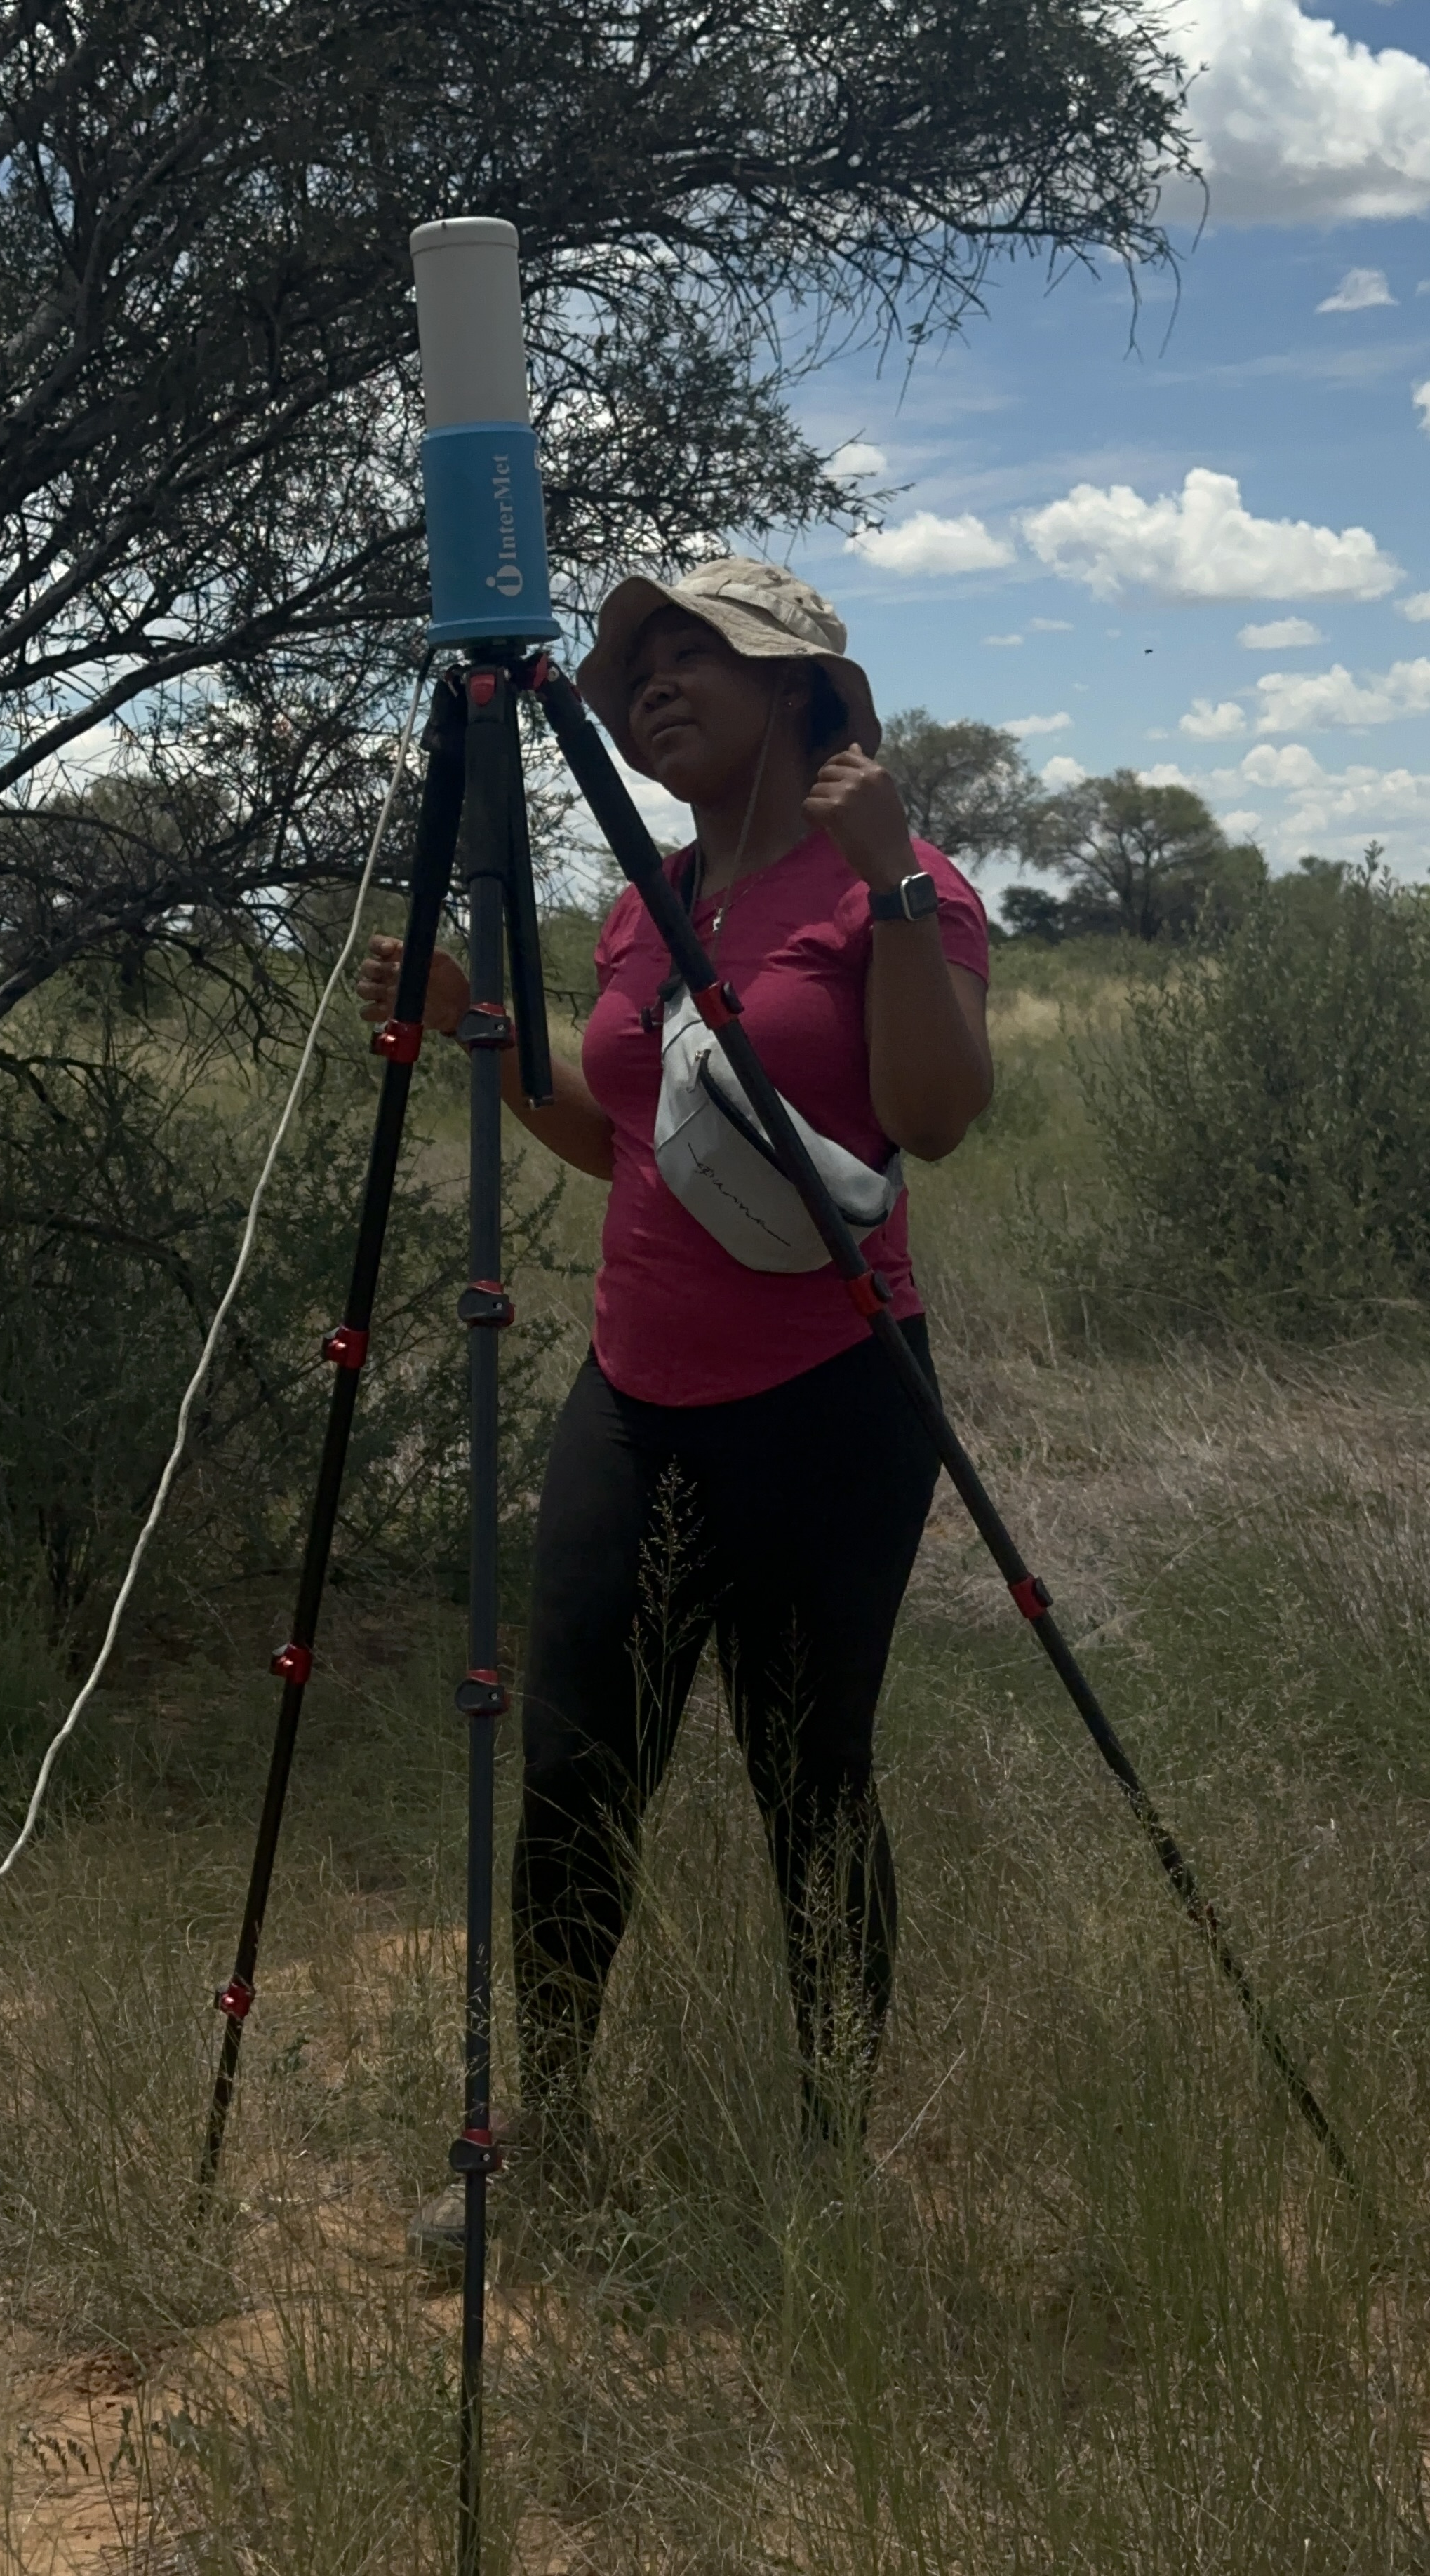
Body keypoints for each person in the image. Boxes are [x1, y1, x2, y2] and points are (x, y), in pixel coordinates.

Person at [357, 557, 992, 2260]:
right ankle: (543, 2143)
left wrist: (898, 892)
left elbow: (934, 1119)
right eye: (634, 660)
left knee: (811, 1780)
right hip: (635, 1392)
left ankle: (822, 2152)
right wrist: (474, 1040)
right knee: (571, 1770)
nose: (650, 681)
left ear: (799, 688)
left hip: (831, 1397)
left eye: (694, 650)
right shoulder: (644, 907)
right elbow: (621, 1138)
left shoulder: (896, 885)